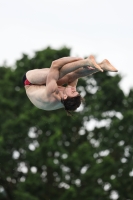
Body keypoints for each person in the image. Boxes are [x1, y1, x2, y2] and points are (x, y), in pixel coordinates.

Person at [23, 55, 118, 113]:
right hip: (45, 88)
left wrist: (78, 60)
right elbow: (75, 75)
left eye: (73, 92)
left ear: (64, 97)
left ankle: (86, 61)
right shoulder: (68, 99)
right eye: (76, 91)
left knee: (59, 73)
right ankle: (102, 66)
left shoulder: (51, 93)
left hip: (30, 83)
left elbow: (55, 64)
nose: (74, 89)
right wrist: (89, 67)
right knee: (71, 76)